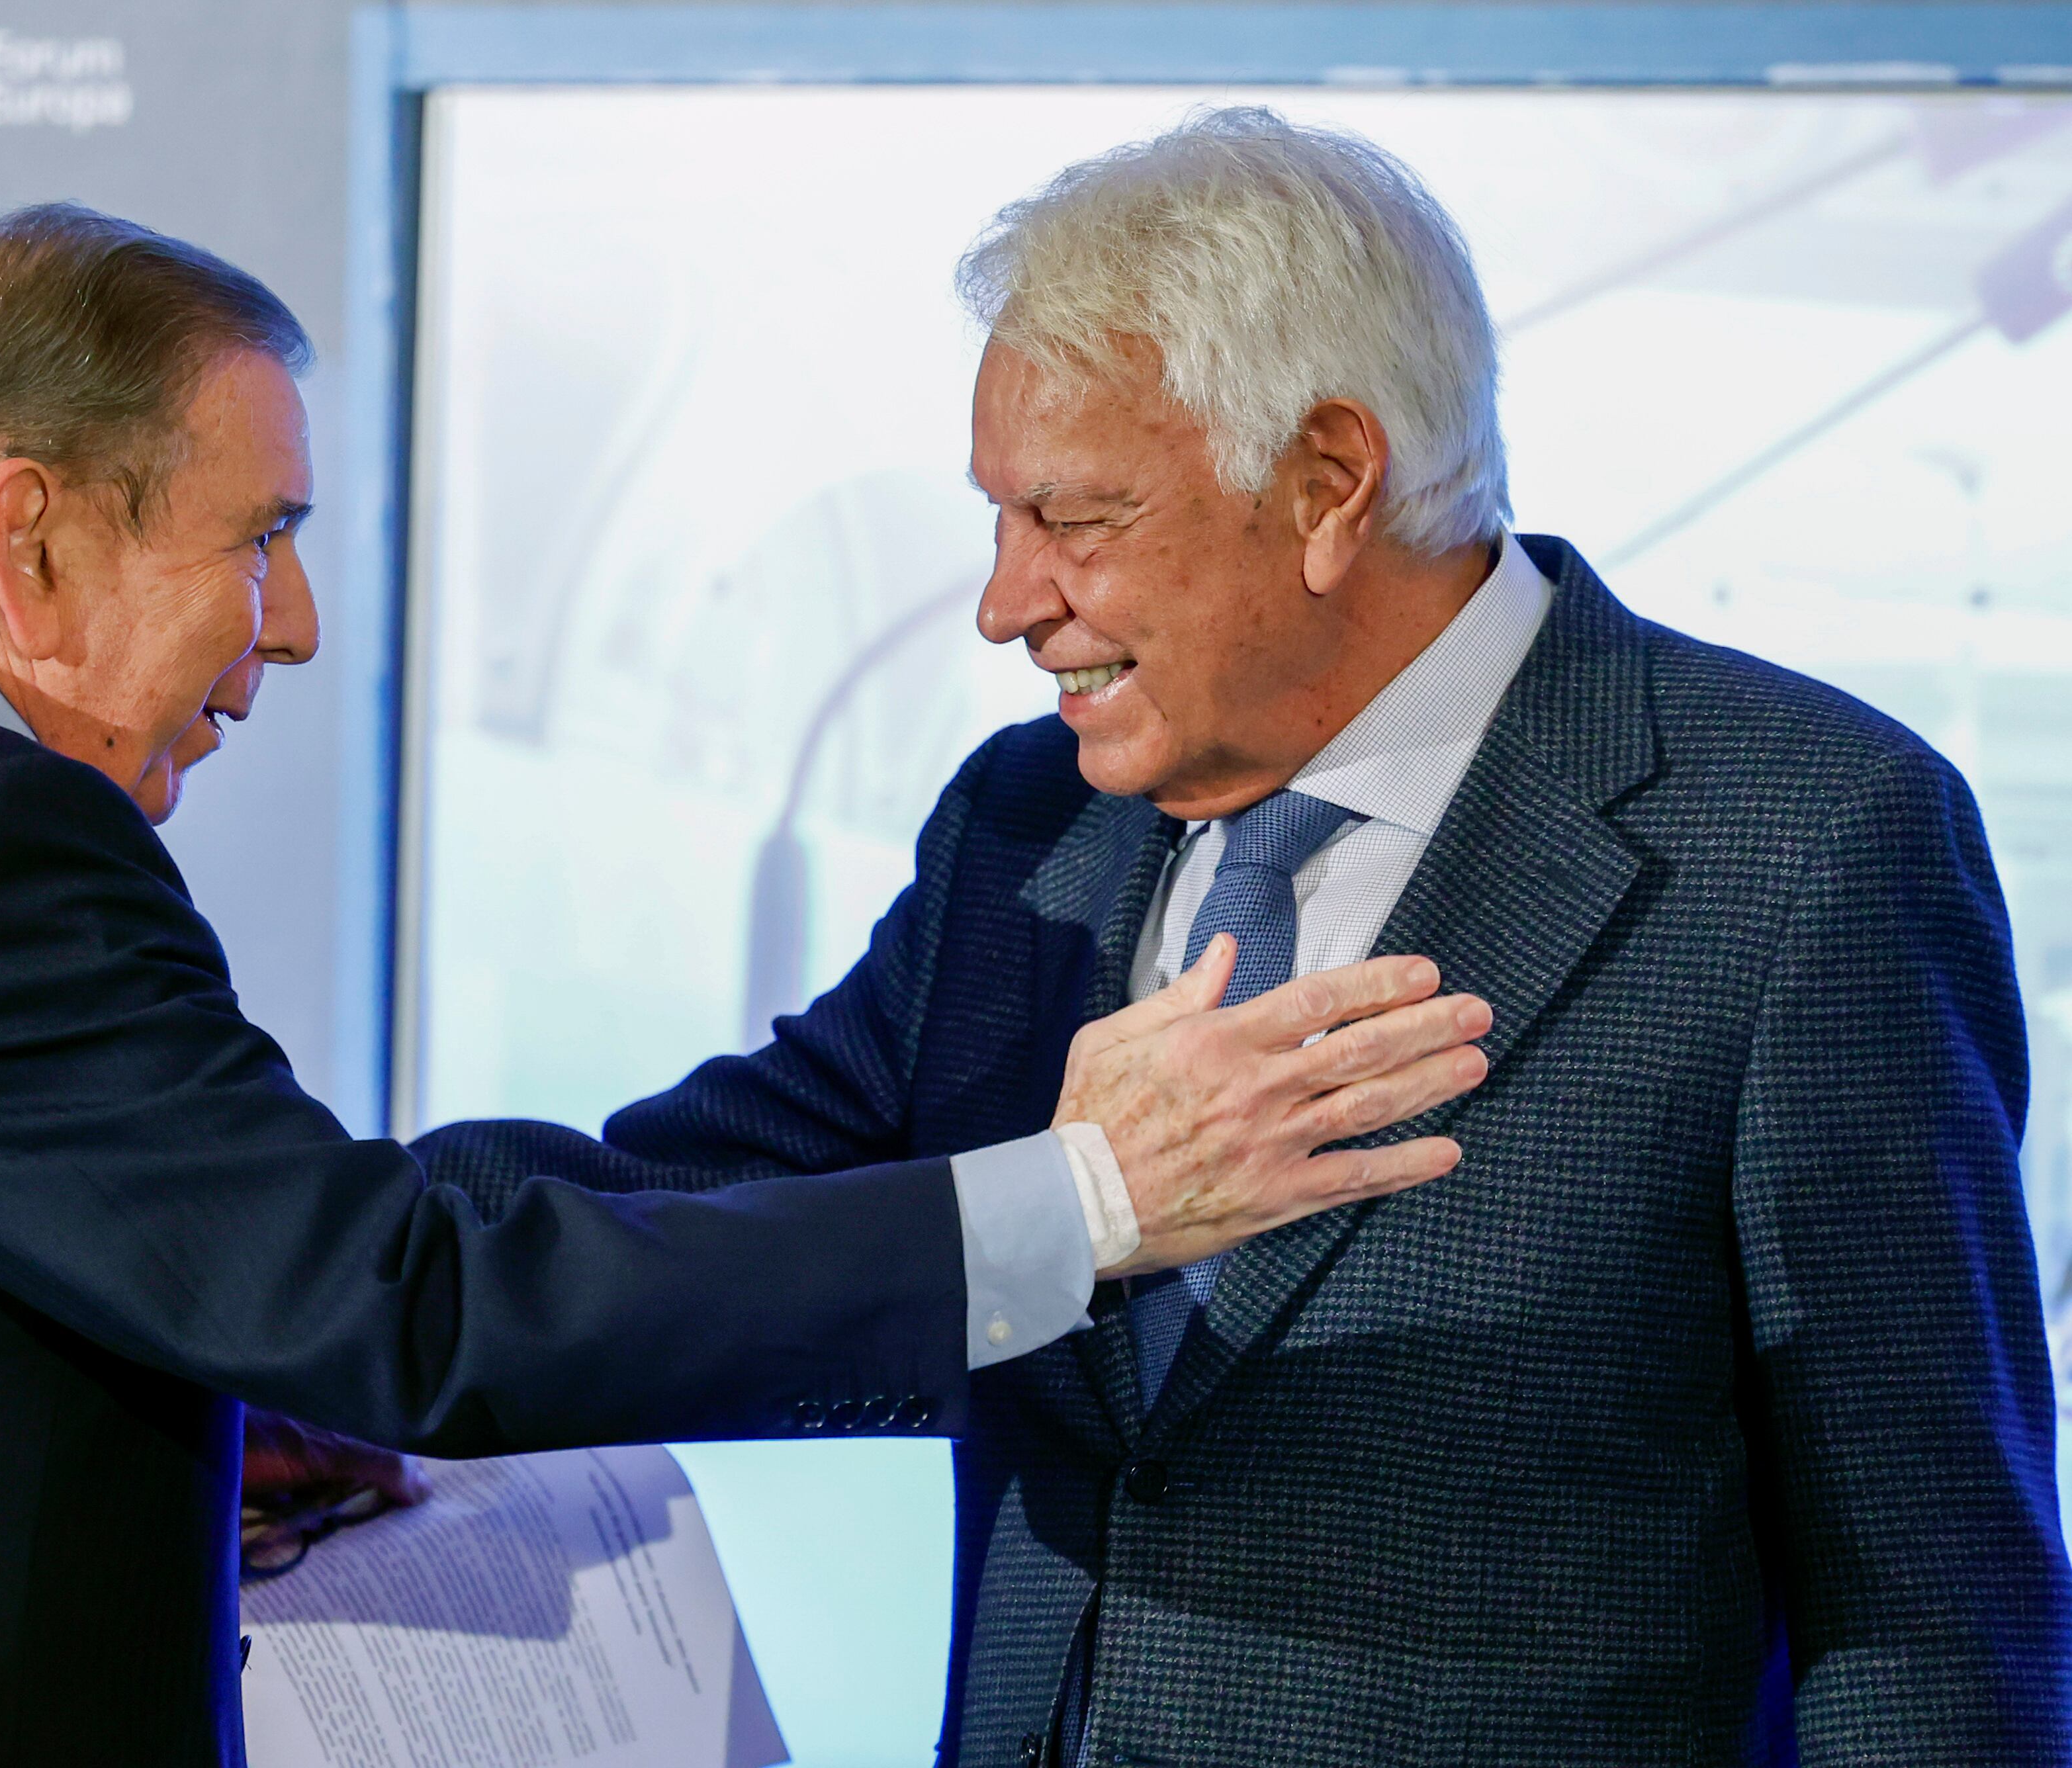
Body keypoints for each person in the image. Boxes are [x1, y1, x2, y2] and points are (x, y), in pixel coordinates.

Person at [0, 203, 1488, 1766]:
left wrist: (247, 1376)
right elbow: (398, 1306)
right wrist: (1094, 1201)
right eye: (262, 538)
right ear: (26, 534)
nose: (296, 625)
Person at [402, 111, 2070, 1763]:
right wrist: (261, 1272)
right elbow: (687, 1209)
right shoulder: (1025, 826)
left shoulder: (1801, 840)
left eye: (1076, 519)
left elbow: (1930, 1612)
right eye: (997, 517)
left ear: (1329, 485)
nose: (1004, 599)